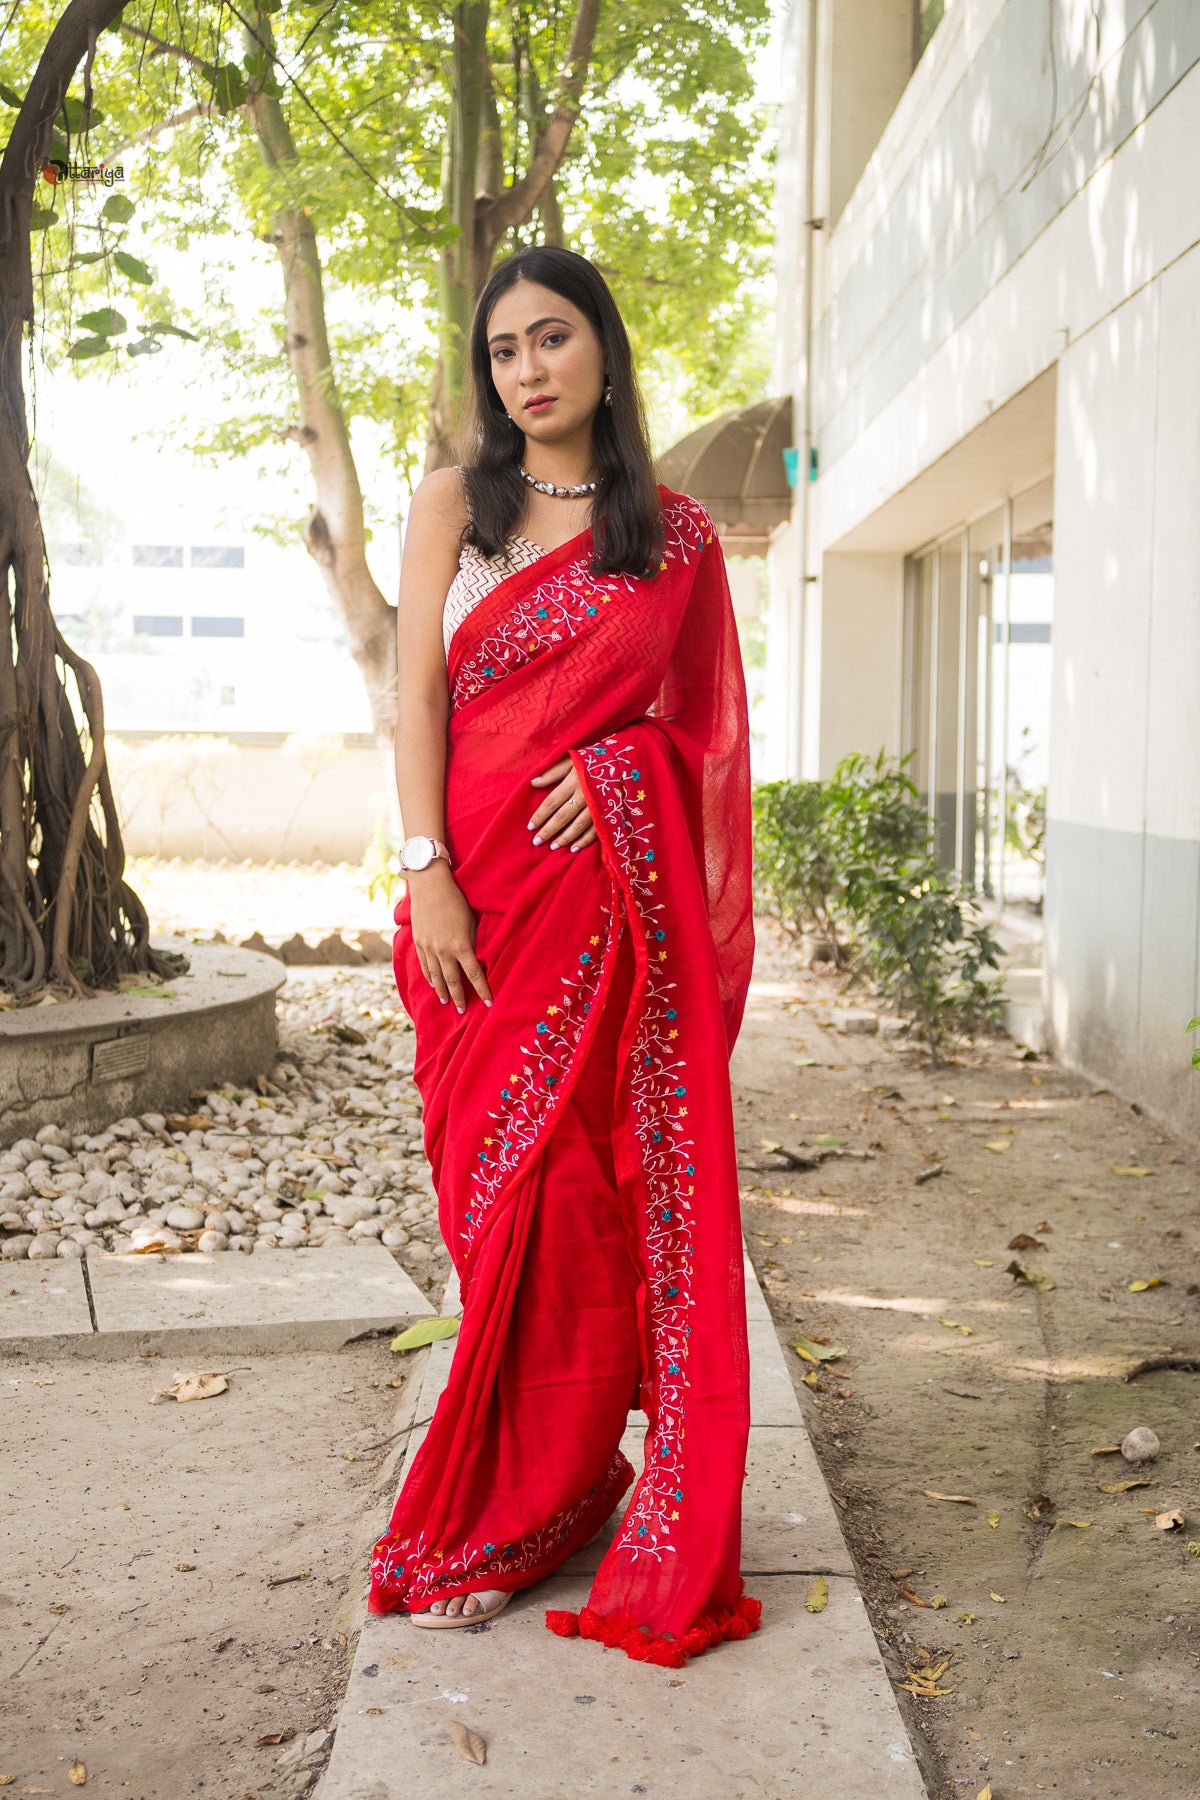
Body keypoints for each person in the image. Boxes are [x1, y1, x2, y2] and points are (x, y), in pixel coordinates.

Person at [366, 244, 759, 1667]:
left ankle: (517, 1507)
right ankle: (549, 1471)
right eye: (503, 352)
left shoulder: (677, 538)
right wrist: (433, 878)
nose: (527, 372)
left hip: (602, 908)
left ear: (603, 347)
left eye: (551, 339)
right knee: (492, 1197)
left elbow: (705, 739)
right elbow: (413, 702)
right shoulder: (451, 510)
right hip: (472, 906)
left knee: (576, 1191)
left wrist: (619, 775)